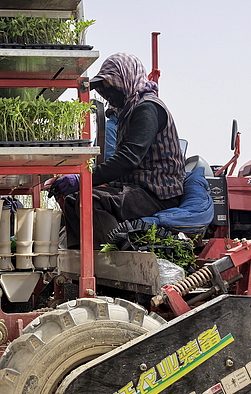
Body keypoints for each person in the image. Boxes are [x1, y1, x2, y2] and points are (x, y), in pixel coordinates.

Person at [49, 53, 184, 248]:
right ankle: (81, 261)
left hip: (157, 193)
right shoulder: (127, 112)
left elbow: (128, 159)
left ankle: (116, 259)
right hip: (137, 189)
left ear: (126, 81)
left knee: (91, 200)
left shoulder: (147, 109)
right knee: (72, 201)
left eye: (111, 89)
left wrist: (83, 179)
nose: (108, 96)